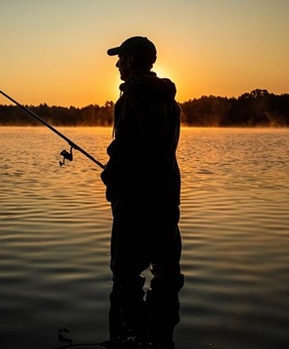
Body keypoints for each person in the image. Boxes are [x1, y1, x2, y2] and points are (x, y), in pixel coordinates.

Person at [101, 36, 184, 349]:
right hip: (165, 196)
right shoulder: (170, 101)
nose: (117, 63)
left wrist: (109, 176)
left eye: (121, 58)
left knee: (125, 275)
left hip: (135, 200)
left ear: (132, 60)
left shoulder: (132, 98)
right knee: (166, 276)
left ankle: (126, 340)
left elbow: (128, 149)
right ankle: (163, 339)